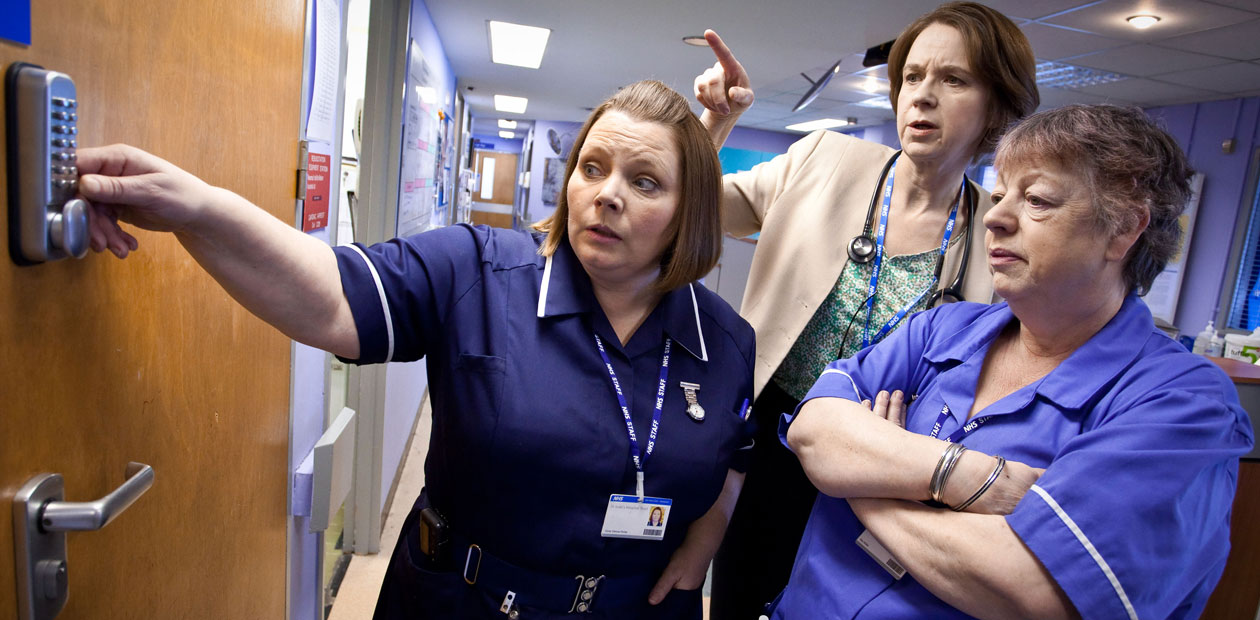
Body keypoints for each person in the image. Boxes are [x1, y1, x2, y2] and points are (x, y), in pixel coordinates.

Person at [79, 80, 756, 619]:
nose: (606, 195)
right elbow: (330, 296)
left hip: (635, 608)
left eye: (644, 182)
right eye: (592, 167)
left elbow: (734, 457)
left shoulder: (724, 339)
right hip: (464, 599)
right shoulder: (476, 273)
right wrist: (199, 207)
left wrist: (704, 541)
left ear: (688, 211)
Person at [774, 104, 1255, 619]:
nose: (995, 217)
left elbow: (1030, 589)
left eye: (1037, 200)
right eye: (1000, 194)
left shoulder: (1184, 407)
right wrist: (966, 478)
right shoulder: (939, 329)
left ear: (1123, 230)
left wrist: (867, 483)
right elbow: (814, 431)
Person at [691, 3, 1039, 615]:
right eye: (912, 77)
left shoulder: (998, 234)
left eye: (953, 80)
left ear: (997, 105)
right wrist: (712, 127)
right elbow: (693, 209)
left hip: (888, 470)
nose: (923, 96)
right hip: (763, 443)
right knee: (741, 594)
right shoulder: (824, 160)